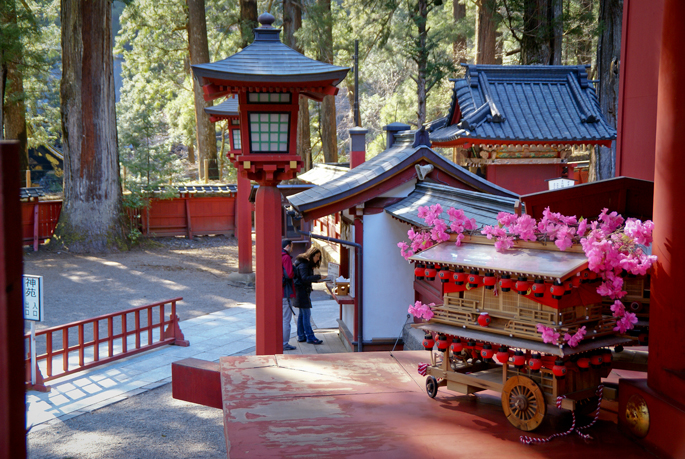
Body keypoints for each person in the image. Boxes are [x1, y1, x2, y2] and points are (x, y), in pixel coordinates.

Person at [293, 246, 326, 344]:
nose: (318, 259)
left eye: (319, 257)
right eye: (317, 256)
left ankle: (301, 335)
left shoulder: (303, 262)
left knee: (302, 315)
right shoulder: (304, 264)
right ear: (312, 255)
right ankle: (310, 337)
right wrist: (319, 277)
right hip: (302, 292)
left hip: (300, 291)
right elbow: (305, 278)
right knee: (306, 315)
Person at [281, 239, 297, 351]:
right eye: (291, 246)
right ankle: (284, 343)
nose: (292, 249)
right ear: (287, 246)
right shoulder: (285, 257)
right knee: (286, 319)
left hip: (278, 290)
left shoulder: (277, 256)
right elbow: (289, 274)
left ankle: (280, 341)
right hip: (286, 291)